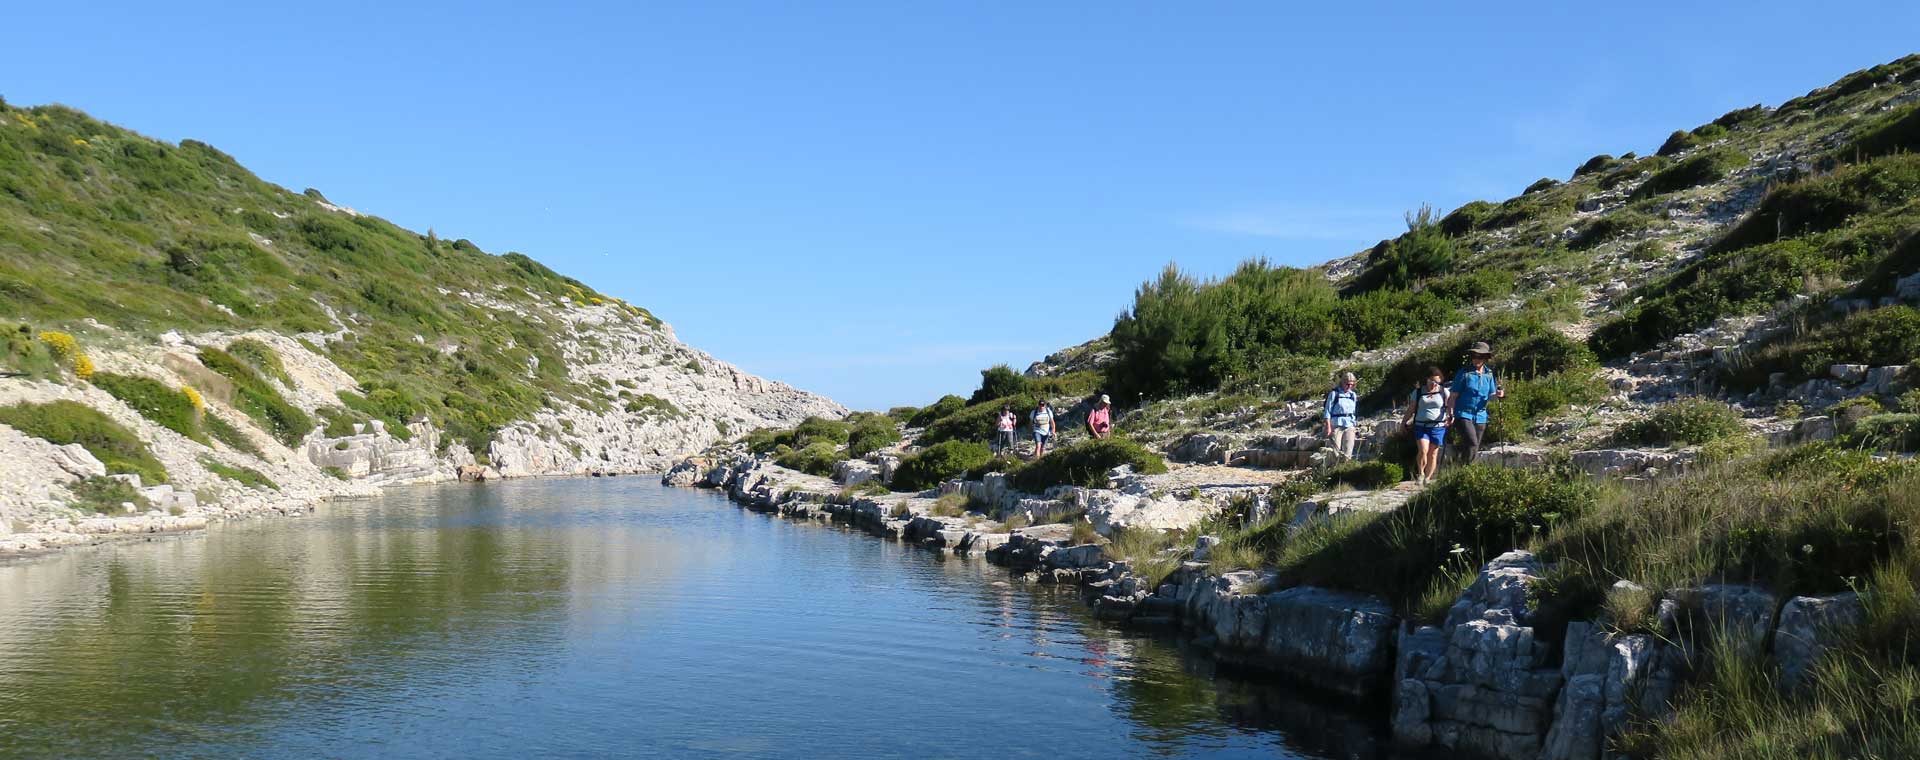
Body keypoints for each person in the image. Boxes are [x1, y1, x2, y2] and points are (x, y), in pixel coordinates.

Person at [1445, 342, 1504, 465]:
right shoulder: (1464, 373)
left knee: (1474, 446)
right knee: (1472, 442)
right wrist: (1450, 412)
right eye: (1474, 356)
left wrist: (1499, 395)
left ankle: (1462, 469)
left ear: (1485, 358)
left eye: (1480, 357)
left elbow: (1491, 395)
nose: (1476, 359)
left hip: (1481, 416)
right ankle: (1467, 470)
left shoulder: (1488, 374)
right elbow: (1453, 395)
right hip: (1463, 414)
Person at [1402, 366, 1450, 484]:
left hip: (1438, 427)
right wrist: (1404, 422)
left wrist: (1450, 416)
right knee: (1423, 450)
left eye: (1437, 382)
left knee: (1433, 453)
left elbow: (1449, 406)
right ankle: (1421, 473)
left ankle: (1428, 478)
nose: (1434, 384)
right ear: (1427, 379)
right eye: (1432, 381)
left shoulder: (1444, 391)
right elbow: (1411, 408)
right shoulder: (1418, 392)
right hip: (1421, 426)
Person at [1323, 372, 1360, 462]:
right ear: (1342, 382)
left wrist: (1355, 425)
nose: (1349, 386)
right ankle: (1332, 470)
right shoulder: (1334, 394)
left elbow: (1354, 411)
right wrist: (1328, 427)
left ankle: (1343, 471)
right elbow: (1327, 411)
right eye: (1347, 384)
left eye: (1352, 384)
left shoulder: (1352, 395)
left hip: (1349, 425)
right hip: (1336, 425)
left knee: (1348, 452)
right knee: (1335, 451)